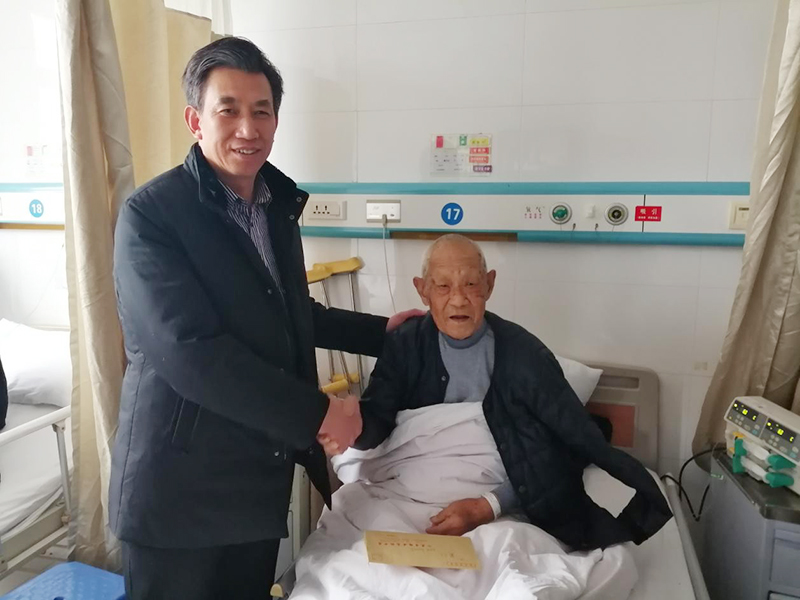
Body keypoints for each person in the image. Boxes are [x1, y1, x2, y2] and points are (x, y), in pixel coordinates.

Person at [110, 36, 418, 600]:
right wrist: (320, 412)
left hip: (255, 480)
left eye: (262, 111)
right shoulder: (153, 217)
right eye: (228, 110)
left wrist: (381, 333)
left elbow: (290, 311)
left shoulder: (275, 205)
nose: (247, 129)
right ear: (195, 120)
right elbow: (191, 353)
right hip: (179, 491)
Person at [323, 234, 671, 550]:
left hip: (503, 508)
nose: (458, 299)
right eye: (443, 286)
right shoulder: (404, 346)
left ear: (489, 285)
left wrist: (488, 506)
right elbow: (378, 422)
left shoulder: (525, 357)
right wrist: (352, 426)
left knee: (515, 566)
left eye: (471, 284)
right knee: (356, 556)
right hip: (404, 500)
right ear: (422, 290)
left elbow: (562, 448)